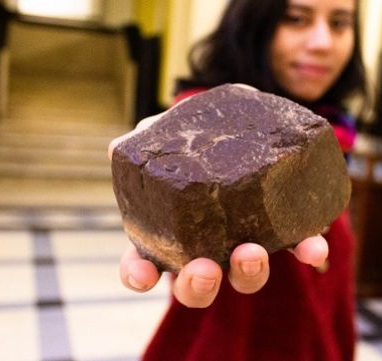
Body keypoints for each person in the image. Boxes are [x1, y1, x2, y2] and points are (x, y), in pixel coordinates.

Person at [109, 0, 367, 359]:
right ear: (252, 23)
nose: (323, 41)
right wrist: (155, 200)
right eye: (296, 18)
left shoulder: (333, 131)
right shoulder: (211, 120)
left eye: (339, 23)